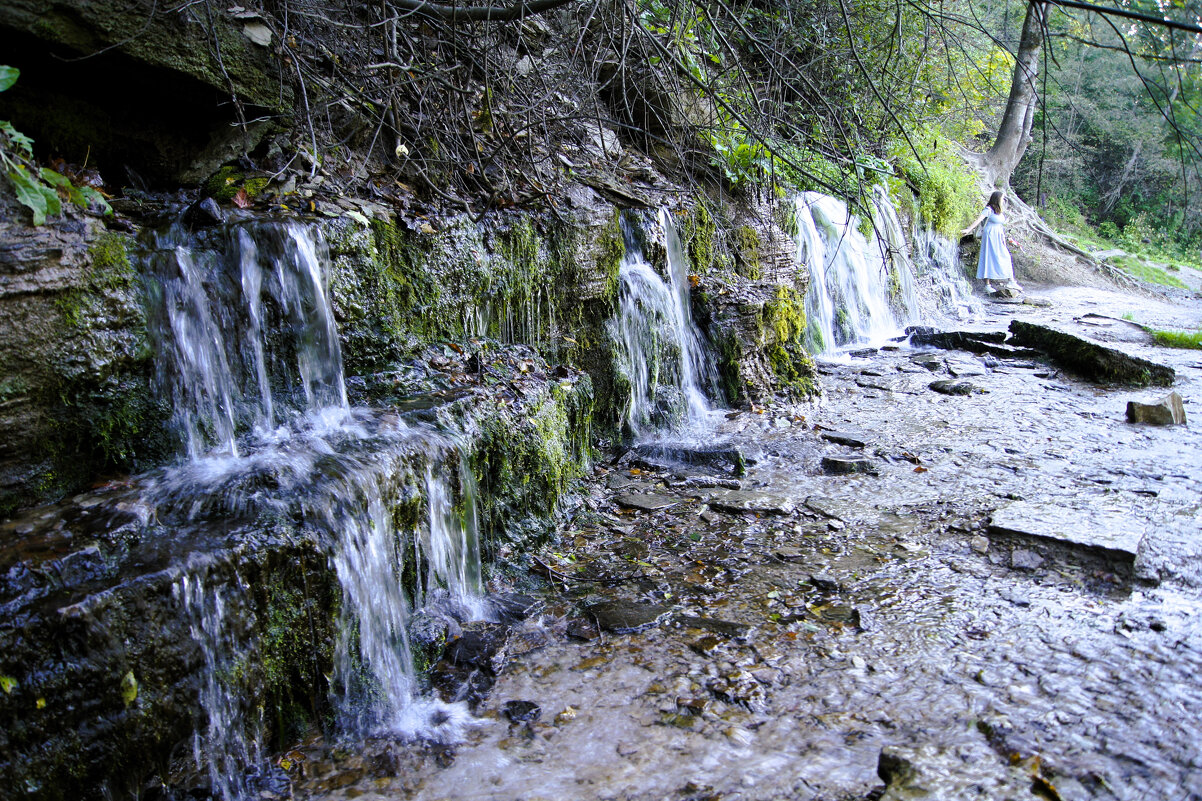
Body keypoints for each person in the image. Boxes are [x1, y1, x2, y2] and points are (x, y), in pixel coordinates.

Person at [962, 190, 1021, 292]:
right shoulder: (989, 209)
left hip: (998, 235)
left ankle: (1011, 281)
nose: (1003, 200)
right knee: (988, 257)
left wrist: (1005, 238)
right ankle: (987, 285)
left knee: (1005, 256)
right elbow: (979, 220)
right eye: (1002, 198)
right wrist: (968, 229)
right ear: (997, 198)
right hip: (990, 235)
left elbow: (1001, 225)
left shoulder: (999, 210)